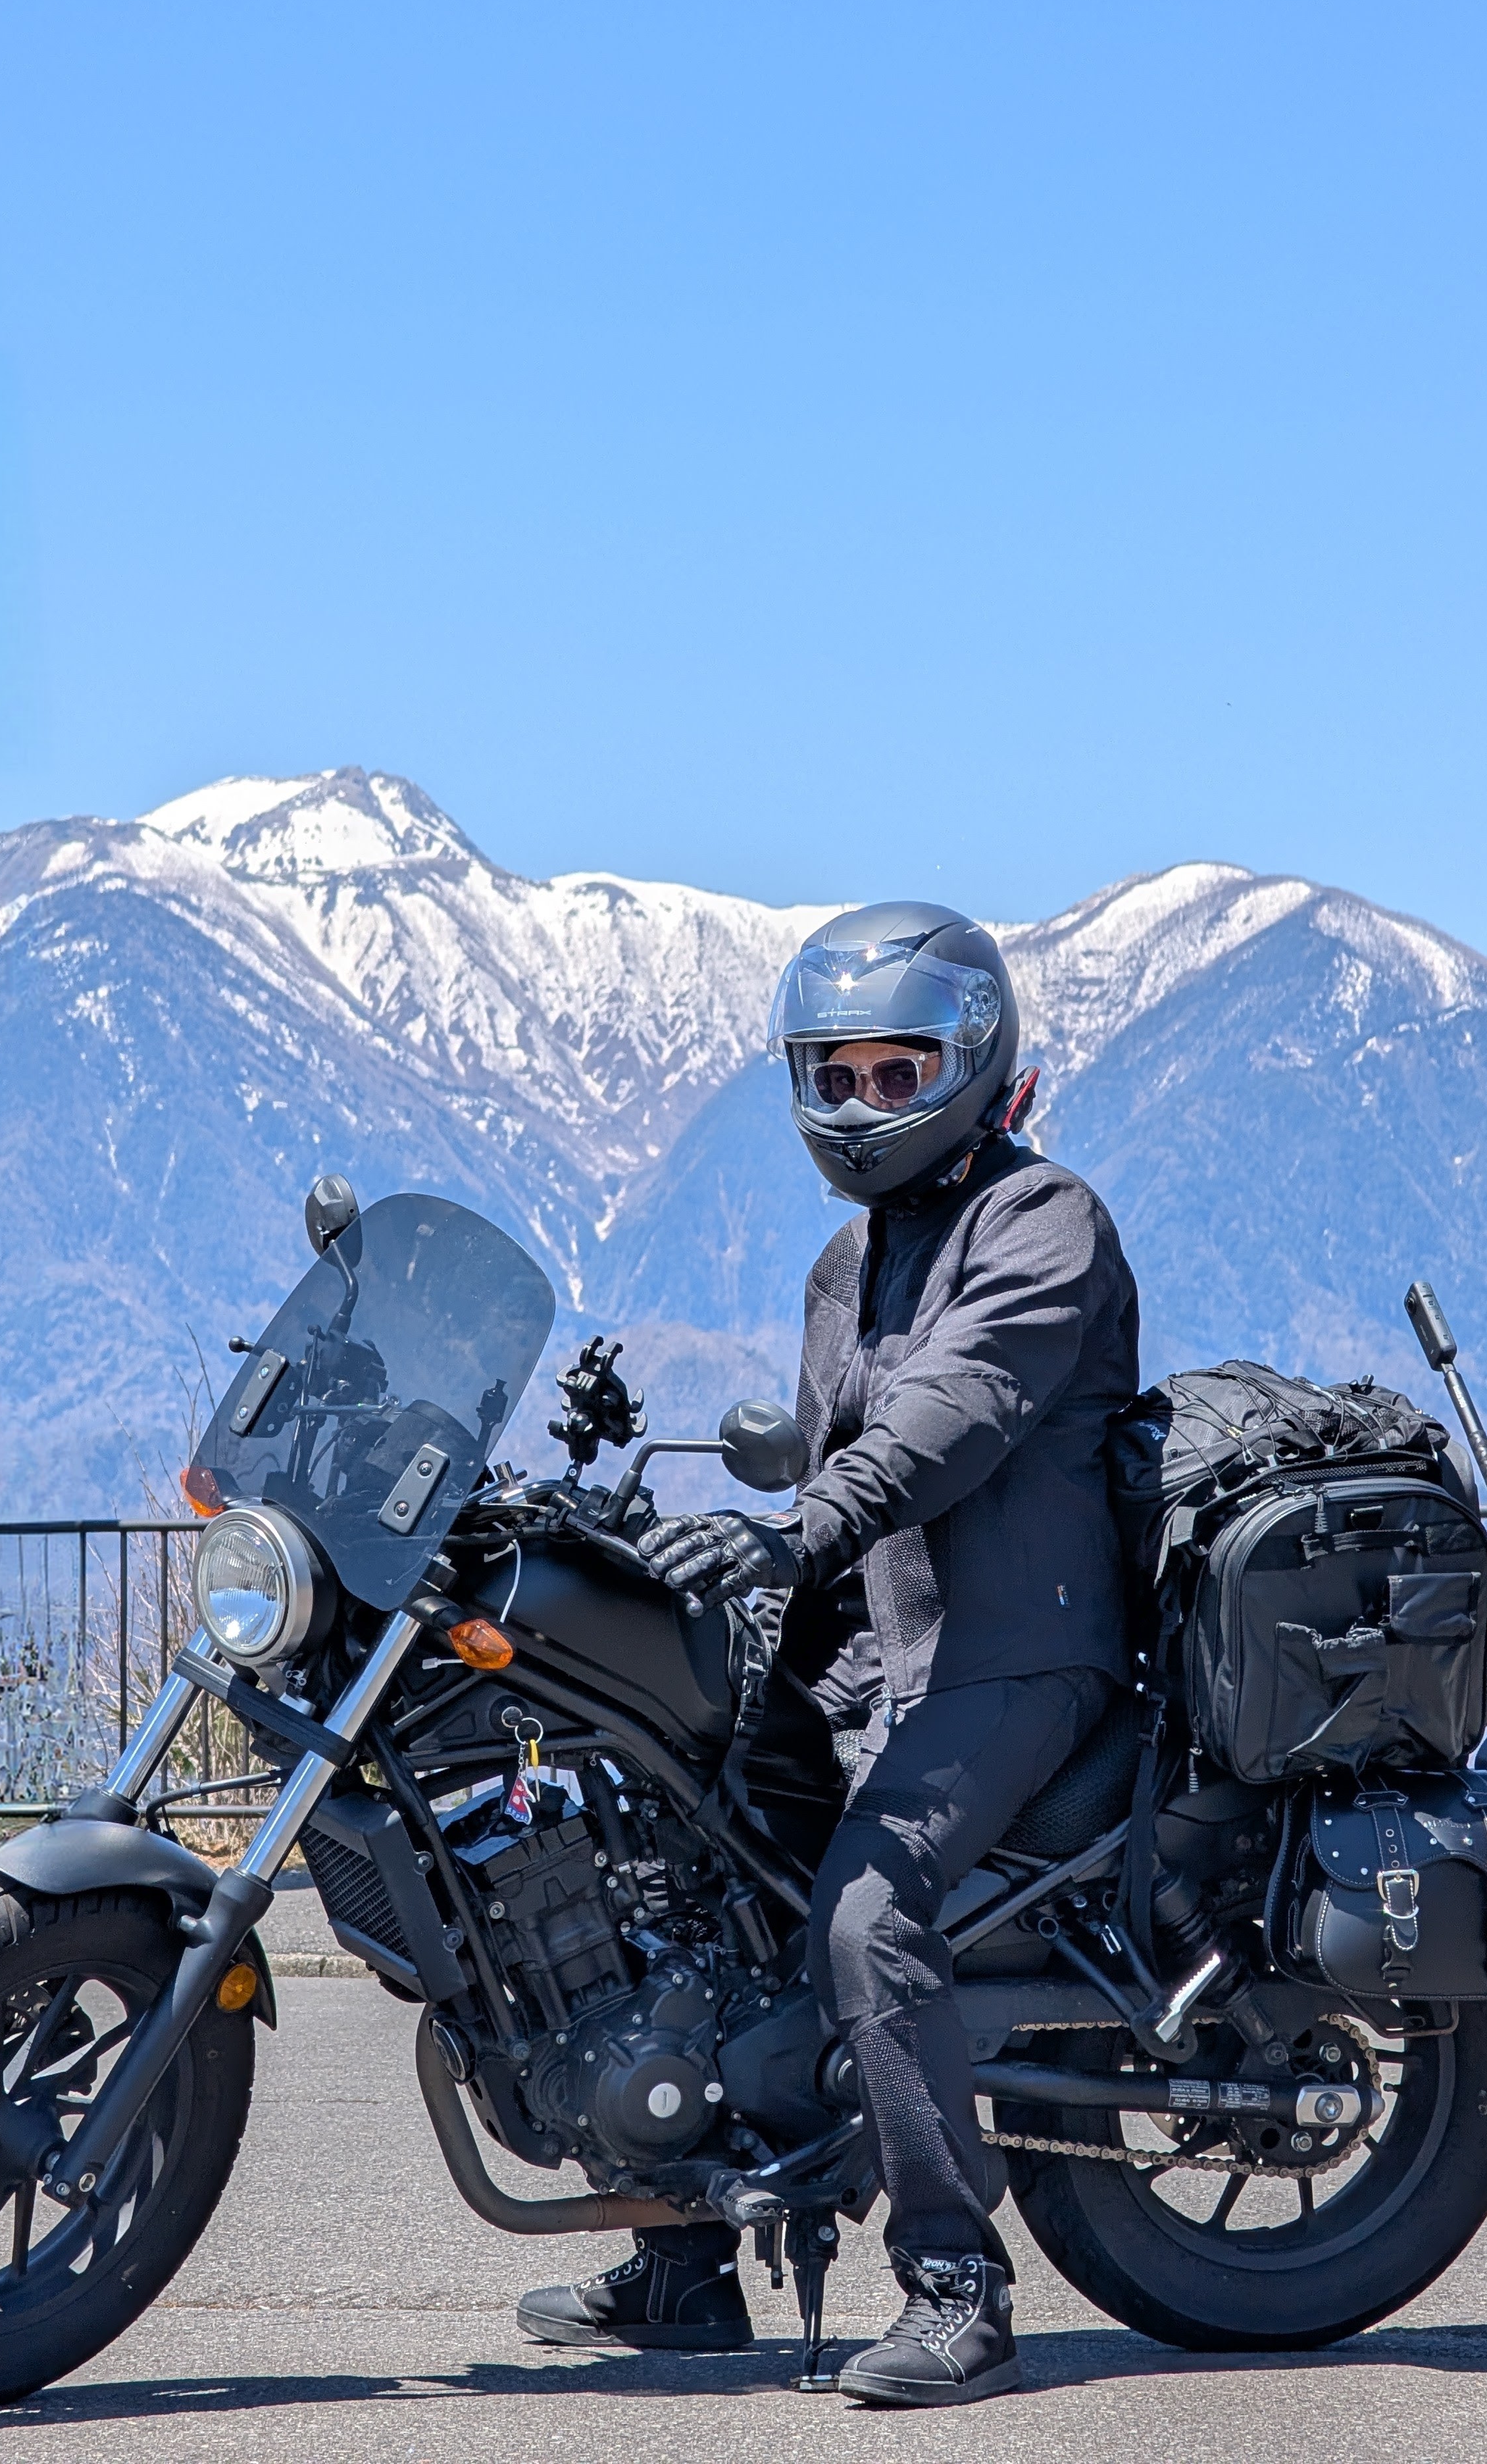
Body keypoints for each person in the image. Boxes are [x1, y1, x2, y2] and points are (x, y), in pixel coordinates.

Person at [517, 901, 1140, 2407]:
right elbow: (831, 1437)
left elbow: (956, 1413)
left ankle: (957, 2286)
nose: (863, 1104)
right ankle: (684, 2259)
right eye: (837, 1075)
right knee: (672, 1866)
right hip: (874, 1656)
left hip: (1019, 1660)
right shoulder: (843, 1263)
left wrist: (800, 1524)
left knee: (869, 1914)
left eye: (895, 1072)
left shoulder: (1042, 1220)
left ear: (977, 1067)